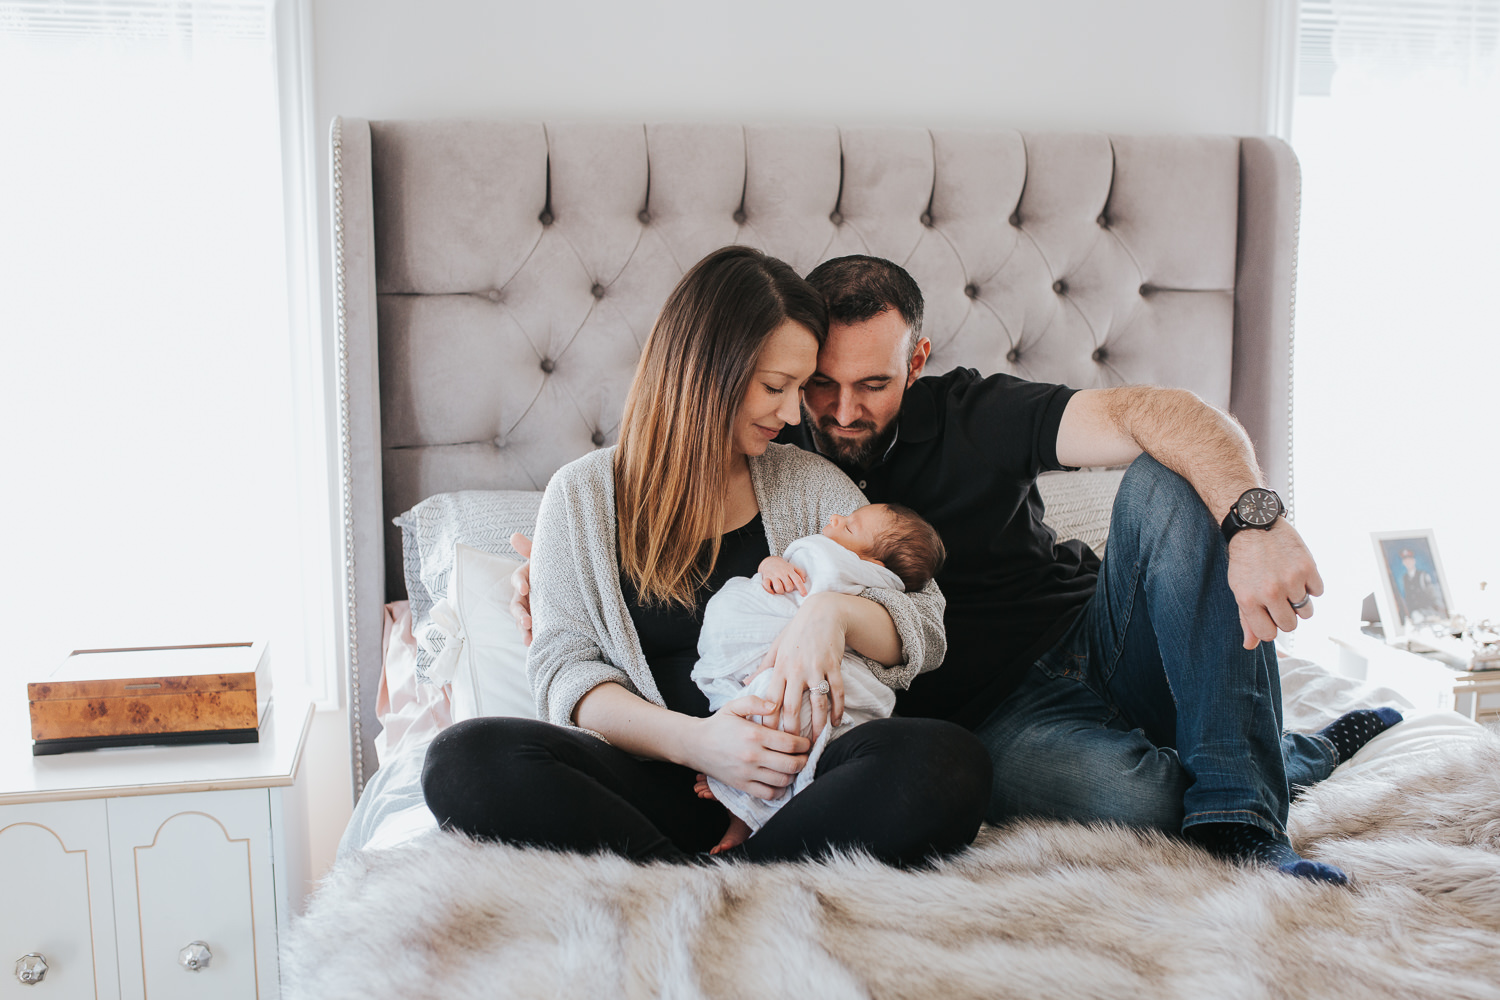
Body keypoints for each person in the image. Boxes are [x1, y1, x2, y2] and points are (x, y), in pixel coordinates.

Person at [509, 254, 1402, 884]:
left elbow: (1151, 414)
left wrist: (1258, 519)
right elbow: (575, 652)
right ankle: (1277, 752)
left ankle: (1248, 820)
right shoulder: (630, 490)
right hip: (965, 725)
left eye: (871, 384)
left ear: (919, 362)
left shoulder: (941, 427)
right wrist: (565, 605)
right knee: (1141, 799)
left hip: (1093, 639)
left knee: (1171, 479)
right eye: (810, 385)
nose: (830, 410)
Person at [423, 247, 991, 867]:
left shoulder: (807, 483)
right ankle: (739, 873)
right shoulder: (582, 496)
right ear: (705, 370)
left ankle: (720, 875)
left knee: (948, 762)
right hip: (647, 779)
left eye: (801, 387)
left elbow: (924, 625)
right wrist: (704, 745)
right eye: (775, 387)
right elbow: (563, 674)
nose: (792, 412)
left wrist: (831, 612)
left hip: (794, 784)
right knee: (463, 760)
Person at [691, 504, 947, 854]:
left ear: (873, 567)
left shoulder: (842, 566)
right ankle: (736, 794)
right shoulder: (842, 551)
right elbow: (789, 570)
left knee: (780, 705)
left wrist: (829, 608)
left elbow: (928, 631)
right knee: (761, 708)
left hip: (805, 681)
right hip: (690, 736)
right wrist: (771, 563)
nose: (836, 518)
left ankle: (743, 816)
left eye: (850, 526)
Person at [1397, 548, 1446, 625]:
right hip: (1414, 615)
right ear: (1403, 563)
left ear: (1414, 561)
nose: (1408, 563)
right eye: (1406, 561)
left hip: (1427, 612)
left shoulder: (1423, 575)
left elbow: (1433, 595)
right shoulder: (1405, 578)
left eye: (1409, 560)